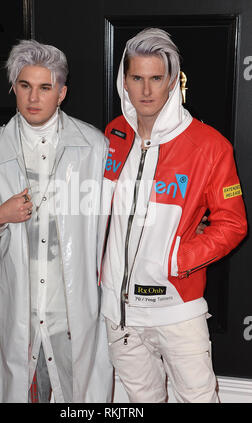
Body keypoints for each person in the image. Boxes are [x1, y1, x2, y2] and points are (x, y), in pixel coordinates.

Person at [0, 39, 113, 403]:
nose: (33, 97)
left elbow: (116, 217)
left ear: (62, 92)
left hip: (73, 312)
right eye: (24, 85)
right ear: (14, 88)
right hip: (17, 312)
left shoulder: (94, 146)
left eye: (45, 87)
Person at [100, 28, 247, 403]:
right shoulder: (113, 135)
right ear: (124, 82)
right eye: (137, 78)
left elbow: (232, 224)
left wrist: (178, 259)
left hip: (177, 312)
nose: (146, 90)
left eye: (156, 78)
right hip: (119, 315)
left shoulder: (210, 146)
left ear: (172, 82)